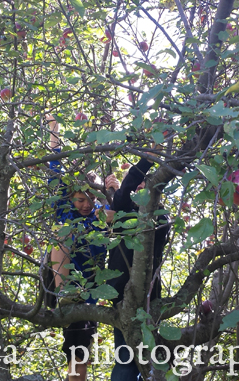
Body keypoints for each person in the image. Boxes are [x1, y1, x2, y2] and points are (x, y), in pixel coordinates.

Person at [45, 114, 117, 381]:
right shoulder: (65, 214)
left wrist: (113, 190)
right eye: (79, 200)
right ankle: (66, 293)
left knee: (79, 356)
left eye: (90, 199)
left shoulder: (102, 216)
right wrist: (54, 133)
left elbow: (121, 212)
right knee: (59, 237)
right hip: (65, 290)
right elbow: (54, 170)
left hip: (88, 296)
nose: (85, 205)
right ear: (70, 198)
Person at [105, 156, 170, 381]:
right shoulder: (121, 207)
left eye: (147, 184)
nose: (141, 186)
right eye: (137, 184)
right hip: (122, 295)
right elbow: (123, 196)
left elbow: (154, 228)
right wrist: (145, 162)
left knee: (147, 358)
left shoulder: (161, 216)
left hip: (149, 297)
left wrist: (121, 220)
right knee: (126, 360)